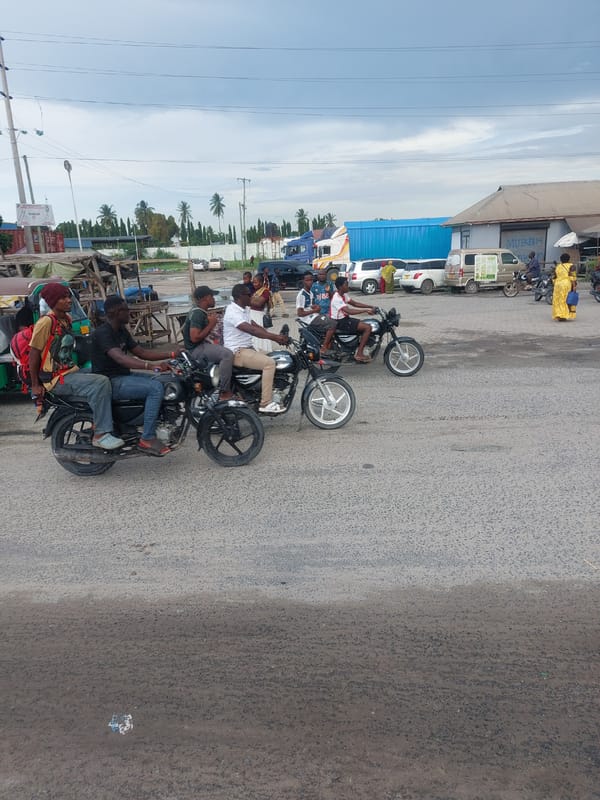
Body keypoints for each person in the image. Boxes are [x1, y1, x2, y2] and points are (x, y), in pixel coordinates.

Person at [28, 282, 124, 450]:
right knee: (100, 382)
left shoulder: (67, 319)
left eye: (68, 296)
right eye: (63, 298)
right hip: (57, 379)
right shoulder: (46, 322)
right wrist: (35, 385)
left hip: (69, 372)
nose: (69, 300)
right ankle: (101, 433)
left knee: (105, 371)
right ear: (53, 301)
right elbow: (34, 353)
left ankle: (111, 419)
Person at [91, 295, 182, 456]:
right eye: (126, 310)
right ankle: (147, 438)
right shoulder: (103, 333)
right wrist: (151, 367)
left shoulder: (121, 330)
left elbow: (141, 352)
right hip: (110, 381)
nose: (130, 313)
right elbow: (121, 358)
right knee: (154, 388)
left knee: (162, 380)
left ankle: (157, 422)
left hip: (123, 376)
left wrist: (172, 354)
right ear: (116, 312)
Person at [223, 283, 289, 413]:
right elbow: (251, 330)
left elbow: (255, 326)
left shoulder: (244, 309)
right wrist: (274, 338)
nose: (252, 296)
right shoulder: (232, 312)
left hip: (248, 348)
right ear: (239, 297)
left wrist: (277, 336)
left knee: (276, 356)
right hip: (238, 352)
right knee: (269, 364)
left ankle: (269, 391)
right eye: (249, 294)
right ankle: (265, 403)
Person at [182, 286, 235, 401]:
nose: (214, 299)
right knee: (227, 354)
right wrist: (212, 323)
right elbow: (194, 337)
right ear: (206, 298)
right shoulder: (198, 313)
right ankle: (225, 392)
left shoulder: (199, 311)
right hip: (196, 349)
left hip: (199, 346)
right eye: (212, 296)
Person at [330, 277, 376, 363]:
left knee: (364, 324)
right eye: (346, 285)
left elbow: (354, 303)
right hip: (340, 322)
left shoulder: (343, 295)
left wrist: (370, 306)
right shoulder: (337, 298)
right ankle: (359, 354)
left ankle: (357, 346)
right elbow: (348, 311)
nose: (348, 286)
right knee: (368, 327)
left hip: (344, 319)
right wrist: (366, 310)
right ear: (340, 287)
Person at [295, 271, 337, 356]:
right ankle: (324, 348)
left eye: (311, 280)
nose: (310, 282)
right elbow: (300, 313)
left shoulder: (310, 293)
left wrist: (315, 307)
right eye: (307, 280)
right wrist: (314, 310)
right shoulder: (302, 295)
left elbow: (309, 305)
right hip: (309, 319)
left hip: (315, 315)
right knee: (333, 324)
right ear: (303, 281)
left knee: (332, 321)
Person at [249, 274, 273, 352]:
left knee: (260, 334)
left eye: (256, 282)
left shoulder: (265, 291)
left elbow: (259, 303)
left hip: (259, 316)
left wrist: (248, 300)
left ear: (261, 282)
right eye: (253, 283)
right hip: (252, 314)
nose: (254, 284)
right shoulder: (255, 291)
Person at [552, 253, 577, 322]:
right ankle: (564, 315)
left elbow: (554, 277)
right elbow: (573, 277)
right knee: (565, 299)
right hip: (566, 284)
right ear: (569, 259)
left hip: (557, 285)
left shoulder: (558, 266)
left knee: (558, 300)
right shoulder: (571, 266)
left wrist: (555, 284)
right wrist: (574, 286)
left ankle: (558, 314)